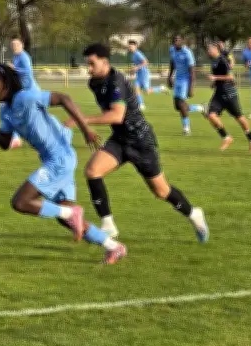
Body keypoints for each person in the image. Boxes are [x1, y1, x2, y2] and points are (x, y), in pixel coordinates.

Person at [0, 64, 128, 264]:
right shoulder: (6, 110)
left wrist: (85, 129)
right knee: (65, 218)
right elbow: (5, 143)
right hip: (56, 159)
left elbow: (63, 98)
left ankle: (73, 212)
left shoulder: (25, 97)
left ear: (6, 85)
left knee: (21, 202)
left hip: (59, 159)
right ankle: (114, 247)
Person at [73, 43, 209, 243]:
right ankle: (108, 225)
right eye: (88, 64)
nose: (89, 69)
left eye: (92, 64)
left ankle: (194, 214)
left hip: (140, 141)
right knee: (92, 171)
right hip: (120, 139)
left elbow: (117, 115)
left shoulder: (116, 81)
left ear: (105, 62)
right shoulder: (94, 83)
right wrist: (87, 130)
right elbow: (108, 114)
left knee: (161, 192)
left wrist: (82, 120)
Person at [202, 43, 251, 153]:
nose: (208, 51)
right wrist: (214, 83)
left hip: (229, 94)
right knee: (211, 115)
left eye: (210, 49)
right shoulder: (213, 61)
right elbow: (218, 77)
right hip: (218, 94)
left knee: (239, 118)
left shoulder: (223, 60)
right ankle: (226, 138)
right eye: (208, 49)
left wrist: (215, 77)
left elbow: (231, 77)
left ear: (216, 50)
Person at [168, 35, 204, 135]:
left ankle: (186, 128)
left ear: (182, 41)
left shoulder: (187, 52)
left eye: (178, 40)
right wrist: (169, 77)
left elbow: (192, 70)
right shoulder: (172, 50)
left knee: (181, 104)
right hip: (177, 79)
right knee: (177, 106)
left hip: (186, 80)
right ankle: (201, 108)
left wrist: (191, 87)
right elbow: (172, 64)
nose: (176, 42)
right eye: (175, 40)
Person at [128, 40, 168, 111]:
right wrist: (133, 71)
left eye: (131, 46)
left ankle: (161, 88)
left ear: (135, 46)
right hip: (139, 75)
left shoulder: (138, 53)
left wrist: (137, 68)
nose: (130, 48)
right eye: (129, 46)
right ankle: (141, 105)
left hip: (144, 74)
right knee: (136, 89)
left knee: (147, 91)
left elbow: (146, 62)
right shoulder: (133, 55)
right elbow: (136, 66)